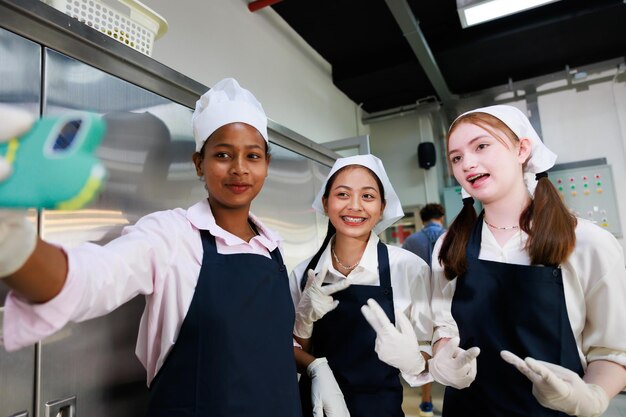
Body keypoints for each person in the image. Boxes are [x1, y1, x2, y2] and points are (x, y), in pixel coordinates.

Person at [0, 78, 315, 416]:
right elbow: (90, 279)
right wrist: (11, 243)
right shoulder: (169, 235)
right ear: (199, 163)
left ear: (266, 165)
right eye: (223, 154)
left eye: (252, 156)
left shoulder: (272, 248)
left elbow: (263, 346)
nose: (239, 168)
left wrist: (313, 365)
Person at [427, 105, 626, 416]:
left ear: (522, 150)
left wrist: (593, 395)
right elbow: (444, 327)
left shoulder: (587, 242)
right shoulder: (449, 245)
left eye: (481, 146)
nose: (468, 163)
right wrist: (441, 358)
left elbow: (613, 350)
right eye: (456, 157)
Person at [290, 154, 433, 417]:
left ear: (382, 207)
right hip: (314, 407)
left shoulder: (408, 268)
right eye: (342, 194)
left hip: (381, 410)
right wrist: (303, 324)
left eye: (367, 196)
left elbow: (428, 351)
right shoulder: (303, 274)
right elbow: (293, 351)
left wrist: (414, 360)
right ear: (325, 202)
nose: (354, 206)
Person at [401, 202, 446, 417]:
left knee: (424, 348)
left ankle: (426, 404)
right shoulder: (451, 236)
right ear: (441, 217)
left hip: (420, 305)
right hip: (448, 303)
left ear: (422, 219)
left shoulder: (411, 241)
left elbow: (402, 275)